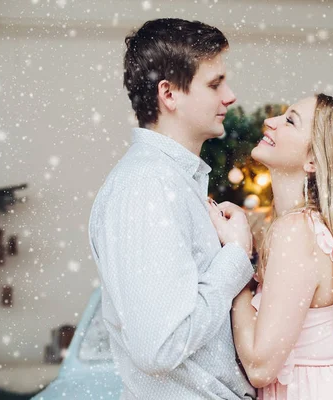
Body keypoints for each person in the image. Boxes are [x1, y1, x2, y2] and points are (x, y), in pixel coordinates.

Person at [88, 18, 257, 399]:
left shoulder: (172, 181)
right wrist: (235, 257)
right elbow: (160, 346)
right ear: (169, 94)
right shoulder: (147, 187)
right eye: (215, 84)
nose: (229, 96)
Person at [208, 94, 333, 399]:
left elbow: (259, 367)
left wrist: (237, 256)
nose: (271, 122)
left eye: (290, 120)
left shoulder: (296, 232)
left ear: (313, 160)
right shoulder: (299, 227)